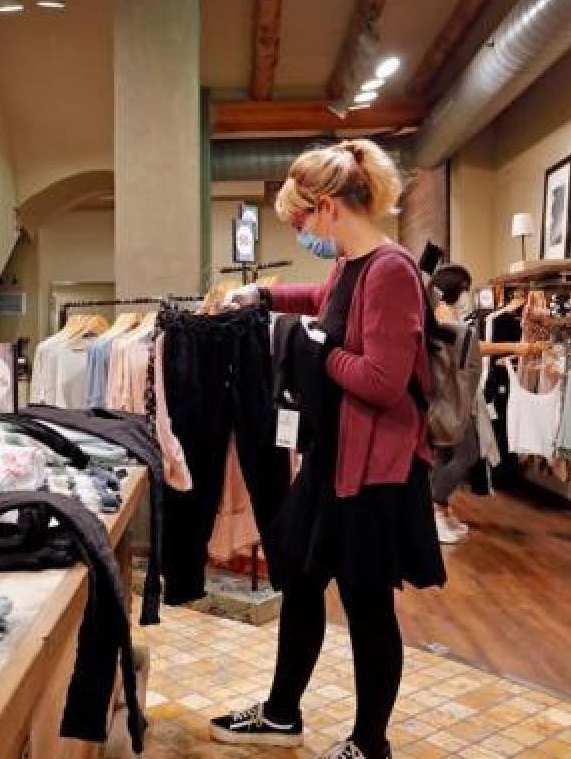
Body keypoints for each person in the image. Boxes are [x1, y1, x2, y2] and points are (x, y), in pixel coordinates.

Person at [212, 139, 445, 759]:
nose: (301, 231)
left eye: (301, 220)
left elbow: (383, 380)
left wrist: (312, 349)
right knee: (303, 578)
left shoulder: (392, 270)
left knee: (366, 606)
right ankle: (283, 713)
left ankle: (370, 743)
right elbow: (325, 302)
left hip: (375, 470)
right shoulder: (350, 264)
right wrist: (266, 298)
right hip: (335, 459)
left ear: (330, 207)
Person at [427, 264, 476, 544]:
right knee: (467, 452)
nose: (467, 294)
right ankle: (434, 504)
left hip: (450, 396)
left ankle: (441, 512)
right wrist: (515, 348)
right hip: (448, 397)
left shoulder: (444, 314)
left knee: (445, 456)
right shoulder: (442, 316)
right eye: (466, 288)